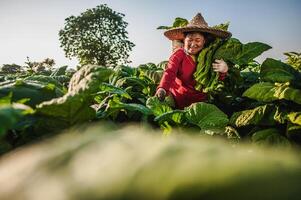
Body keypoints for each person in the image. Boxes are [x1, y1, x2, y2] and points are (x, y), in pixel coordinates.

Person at [155, 13, 231, 109]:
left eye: (198, 40)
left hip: (200, 103)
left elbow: (216, 79)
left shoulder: (209, 56)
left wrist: (224, 70)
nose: (193, 43)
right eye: (190, 40)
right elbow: (170, 72)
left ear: (204, 42)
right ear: (184, 40)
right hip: (178, 98)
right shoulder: (179, 54)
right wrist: (162, 88)